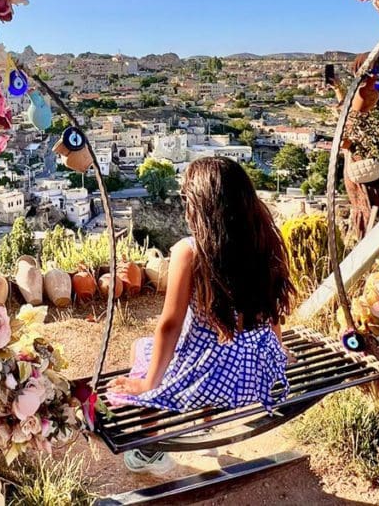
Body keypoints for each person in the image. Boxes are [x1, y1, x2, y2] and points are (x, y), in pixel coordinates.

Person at [107, 157, 295, 476]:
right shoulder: (264, 239)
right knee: (210, 342)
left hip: (211, 376)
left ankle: (148, 450)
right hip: (254, 369)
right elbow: (270, 305)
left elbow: (169, 325)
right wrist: (277, 349)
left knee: (144, 349)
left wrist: (148, 383)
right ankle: (208, 424)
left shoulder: (190, 251)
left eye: (185, 198)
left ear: (200, 204)